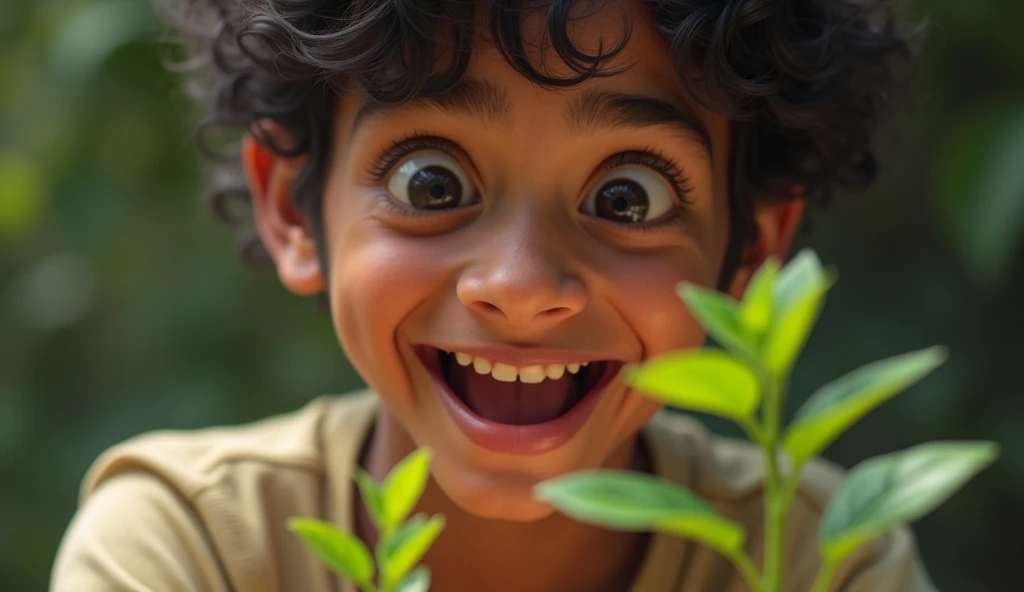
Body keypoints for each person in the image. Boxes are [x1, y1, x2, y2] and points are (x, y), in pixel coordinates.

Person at [51, 0, 934, 590]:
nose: (518, 287)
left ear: (748, 255)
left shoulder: (824, 558)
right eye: (431, 184)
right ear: (293, 207)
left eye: (628, 199)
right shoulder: (190, 547)